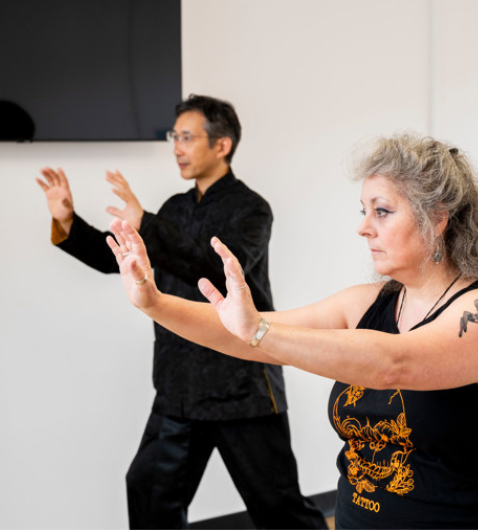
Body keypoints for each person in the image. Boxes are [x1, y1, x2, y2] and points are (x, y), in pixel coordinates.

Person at [103, 133, 478, 529]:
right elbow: (244, 334)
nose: (363, 228)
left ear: (437, 218)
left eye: (382, 212)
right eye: (364, 211)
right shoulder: (366, 304)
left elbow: (393, 364)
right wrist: (154, 303)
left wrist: (259, 331)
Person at [35, 94, 326, 529]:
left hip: (241, 386)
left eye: (187, 137)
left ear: (222, 145)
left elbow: (216, 269)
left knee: (278, 508)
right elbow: (120, 260)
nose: (176, 147)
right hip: (179, 387)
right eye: (175, 137)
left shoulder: (252, 209)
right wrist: (68, 221)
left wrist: (148, 223)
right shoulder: (174, 208)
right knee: (149, 492)